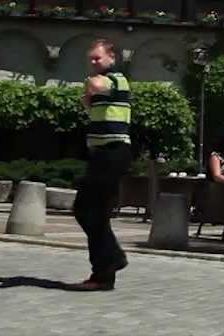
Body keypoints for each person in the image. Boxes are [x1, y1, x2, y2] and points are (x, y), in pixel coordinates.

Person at [71, 39, 133, 291]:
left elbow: (93, 86)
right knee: (93, 213)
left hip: (114, 152)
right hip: (101, 154)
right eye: (91, 59)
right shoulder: (104, 84)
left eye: (98, 58)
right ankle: (104, 274)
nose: (94, 63)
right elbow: (88, 102)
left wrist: (89, 86)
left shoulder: (117, 79)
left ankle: (112, 261)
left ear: (112, 58)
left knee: (87, 210)